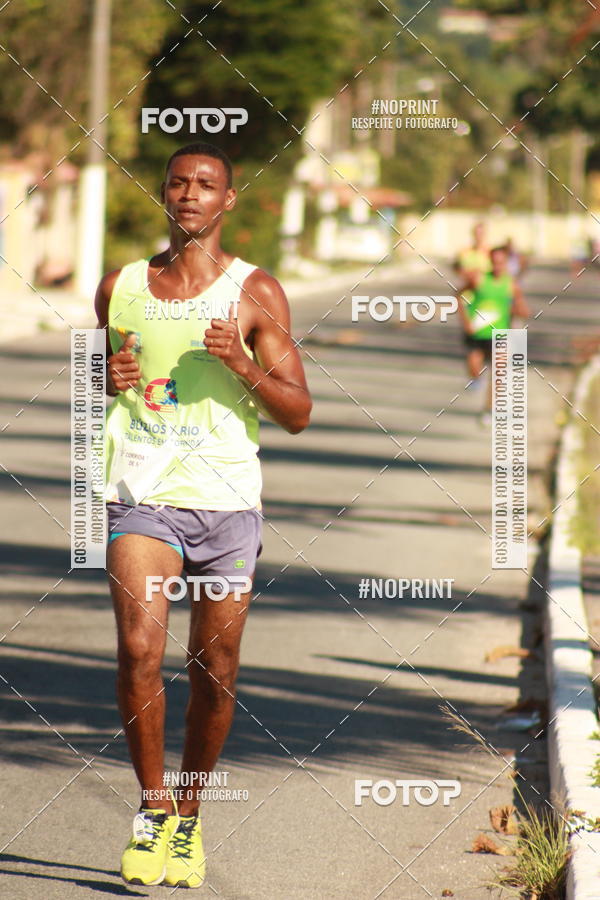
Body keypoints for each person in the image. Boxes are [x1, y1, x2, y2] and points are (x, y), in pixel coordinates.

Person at [94, 141, 312, 887]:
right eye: (178, 183)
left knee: (213, 670)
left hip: (226, 507)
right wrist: (106, 375)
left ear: (228, 200)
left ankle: (189, 816)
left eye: (206, 184)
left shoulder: (256, 292)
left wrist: (242, 364)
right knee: (138, 649)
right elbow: (101, 373)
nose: (190, 194)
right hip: (144, 497)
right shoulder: (121, 286)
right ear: (164, 194)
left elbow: (298, 413)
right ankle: (153, 809)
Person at [458, 245, 531, 426]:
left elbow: (521, 307)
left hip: (500, 333)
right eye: (494, 262)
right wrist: (466, 322)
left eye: (501, 262)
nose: (498, 266)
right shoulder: (479, 279)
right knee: (474, 367)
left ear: (506, 263)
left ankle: (488, 409)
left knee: (498, 373)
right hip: (478, 332)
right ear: (490, 262)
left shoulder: (511, 284)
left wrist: (521, 311)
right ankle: (476, 378)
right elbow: (458, 296)